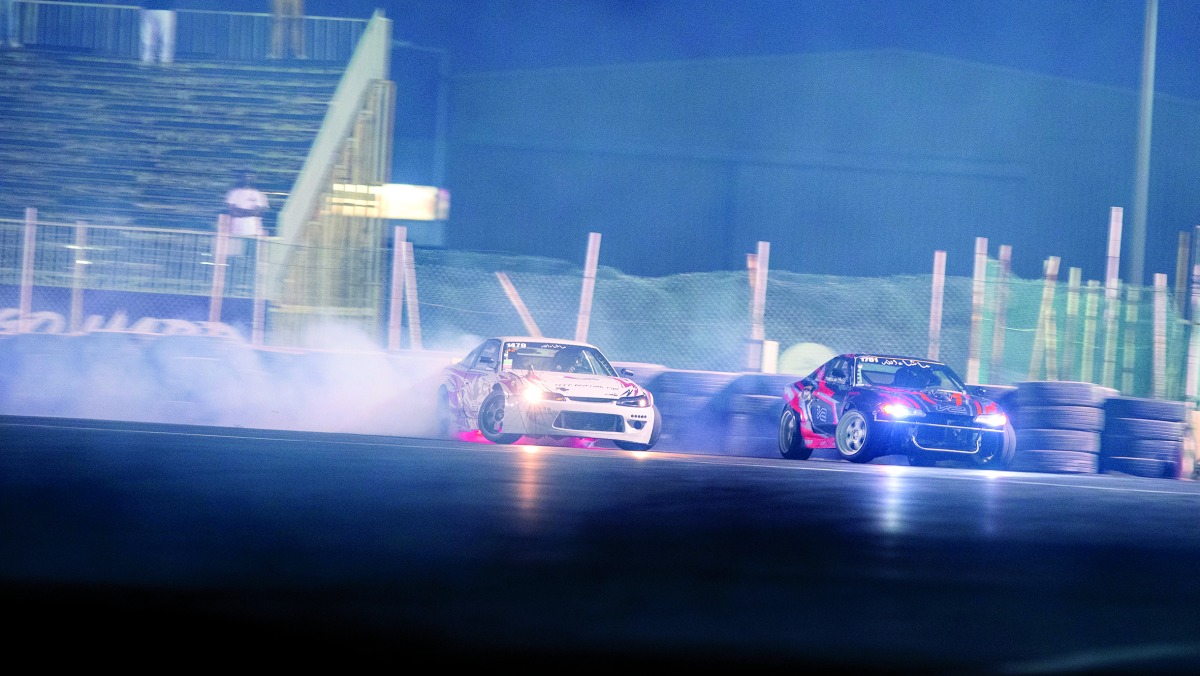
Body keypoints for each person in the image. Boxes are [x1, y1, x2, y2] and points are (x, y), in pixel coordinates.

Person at [223, 171, 269, 257]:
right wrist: (250, 212)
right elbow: (232, 211)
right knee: (235, 253)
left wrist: (240, 211)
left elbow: (259, 212)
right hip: (235, 229)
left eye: (250, 176)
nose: (248, 179)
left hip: (252, 230)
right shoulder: (234, 193)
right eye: (246, 176)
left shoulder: (258, 194)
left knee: (250, 254)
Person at [140, 0, 177, 65]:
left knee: (149, 38)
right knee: (165, 38)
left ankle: (149, 59)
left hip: (152, 8)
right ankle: (164, 59)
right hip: (162, 8)